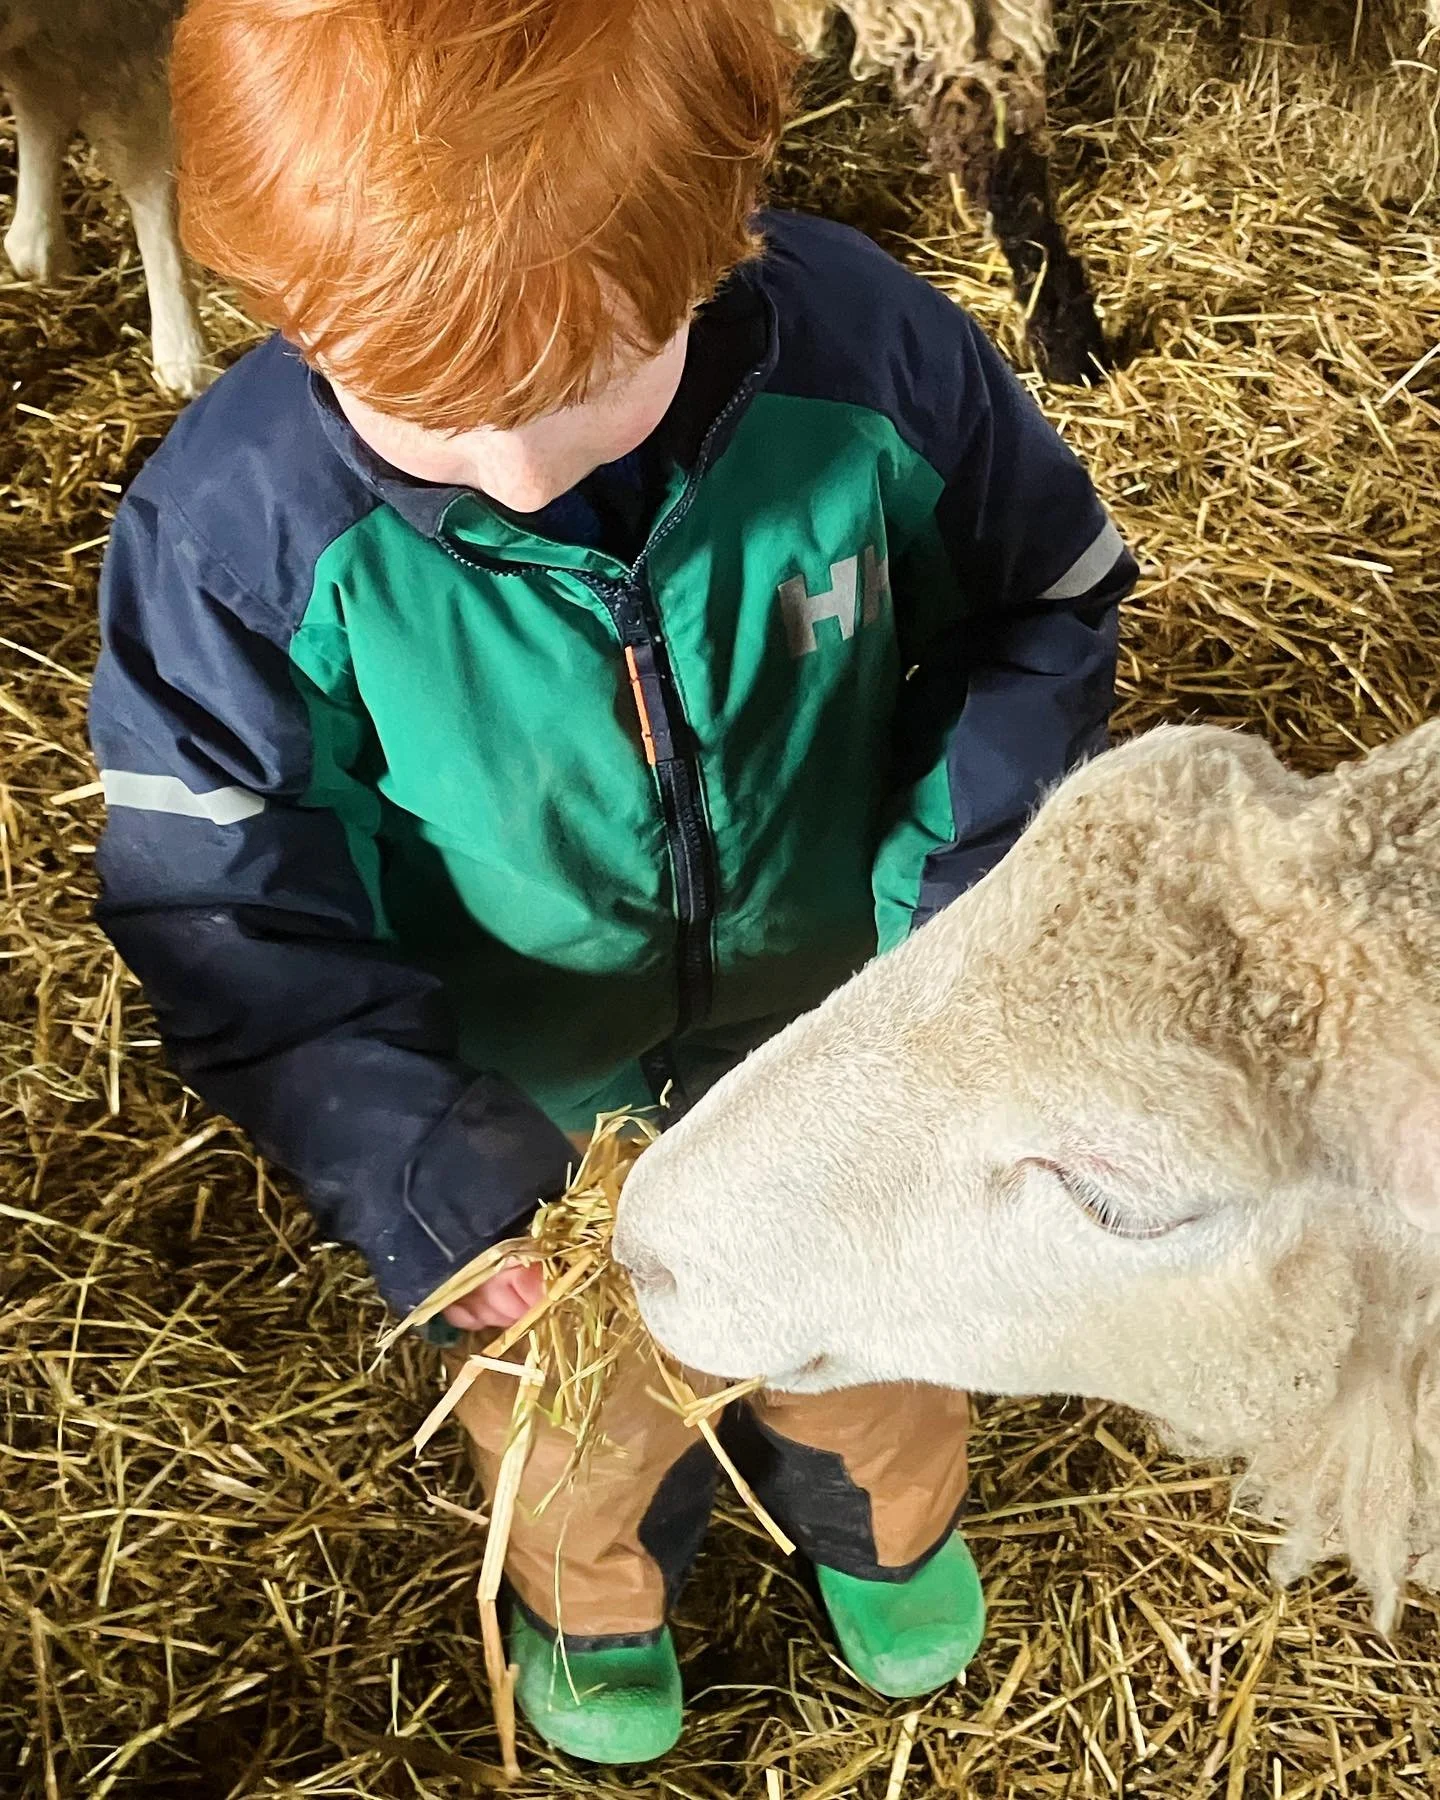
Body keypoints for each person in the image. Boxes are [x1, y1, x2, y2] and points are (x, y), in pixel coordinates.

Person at [87, 0, 1137, 1765]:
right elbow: (226, 899)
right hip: (525, 1120)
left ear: (723, 234)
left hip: (842, 1051)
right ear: (289, 312)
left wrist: (954, 941)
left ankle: (882, 1516)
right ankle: (590, 1587)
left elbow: (1041, 604)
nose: (513, 467)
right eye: (417, 406)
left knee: (871, 1330)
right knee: (570, 1412)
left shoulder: (869, 365)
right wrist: (431, 1163)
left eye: (590, 383)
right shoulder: (233, 538)